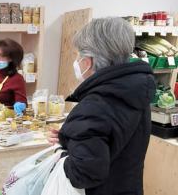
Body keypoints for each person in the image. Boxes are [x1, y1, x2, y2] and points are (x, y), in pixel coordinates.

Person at [49, 18, 156, 195]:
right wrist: (69, 137)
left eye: (79, 55)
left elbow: (83, 174)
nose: (77, 61)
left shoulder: (93, 106)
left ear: (88, 61)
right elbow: (114, 141)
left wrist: (60, 152)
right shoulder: (135, 91)